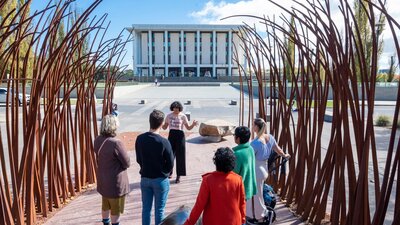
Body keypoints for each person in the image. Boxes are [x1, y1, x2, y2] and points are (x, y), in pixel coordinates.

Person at [184, 147, 246, 225]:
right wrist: (243, 219)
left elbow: (199, 206)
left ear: (216, 163)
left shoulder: (208, 180)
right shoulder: (238, 179)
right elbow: (242, 202)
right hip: (234, 221)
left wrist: (188, 223)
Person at [135, 109, 174, 225]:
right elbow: (171, 162)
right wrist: (165, 172)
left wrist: (144, 166)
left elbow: (138, 158)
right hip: (160, 179)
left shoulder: (140, 138)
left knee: (146, 210)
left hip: (145, 177)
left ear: (149, 121)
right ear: (162, 124)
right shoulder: (164, 142)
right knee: (159, 210)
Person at [250, 118, 290, 222]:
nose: (252, 127)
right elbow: (278, 150)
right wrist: (285, 155)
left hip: (256, 170)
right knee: (258, 194)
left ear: (256, 127)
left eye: (253, 125)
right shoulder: (270, 138)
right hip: (264, 169)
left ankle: (262, 215)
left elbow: (250, 158)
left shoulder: (255, 143)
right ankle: (257, 214)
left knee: (256, 195)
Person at [93, 114, 130, 225]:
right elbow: (127, 162)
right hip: (115, 182)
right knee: (115, 209)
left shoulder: (98, 139)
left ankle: (105, 222)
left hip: (103, 179)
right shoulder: (116, 143)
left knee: (105, 204)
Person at [162, 101, 198, 184]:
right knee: (170, 154)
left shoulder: (183, 116)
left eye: (177, 108)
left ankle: (179, 175)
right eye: (174, 108)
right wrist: (160, 124)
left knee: (180, 156)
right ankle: (169, 172)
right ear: (172, 108)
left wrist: (193, 124)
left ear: (180, 109)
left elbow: (188, 128)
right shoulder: (169, 116)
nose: (175, 110)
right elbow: (164, 127)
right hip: (171, 135)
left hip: (180, 135)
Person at [232, 126, 258, 219]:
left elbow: (233, 174)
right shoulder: (250, 149)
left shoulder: (237, 154)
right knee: (242, 212)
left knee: (237, 215)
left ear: (238, 138)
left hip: (239, 191)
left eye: (234, 135)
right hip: (248, 187)